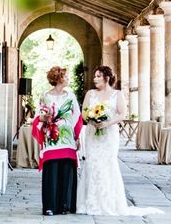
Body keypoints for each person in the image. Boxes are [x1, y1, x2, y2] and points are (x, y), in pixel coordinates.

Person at [77, 66, 163, 216]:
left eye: (98, 76)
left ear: (107, 78)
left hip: (109, 134)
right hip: (93, 133)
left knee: (108, 163)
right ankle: (90, 202)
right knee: (92, 163)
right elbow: (84, 113)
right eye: (95, 76)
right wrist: (92, 119)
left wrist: (106, 123)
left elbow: (122, 114)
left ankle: (109, 203)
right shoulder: (90, 94)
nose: (95, 79)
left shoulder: (117, 95)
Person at [32, 66, 82, 216]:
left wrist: (77, 137)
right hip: (51, 139)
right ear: (58, 78)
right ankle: (50, 206)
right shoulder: (45, 96)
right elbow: (37, 116)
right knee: (51, 172)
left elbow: (77, 117)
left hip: (67, 138)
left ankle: (65, 205)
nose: (68, 79)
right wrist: (44, 118)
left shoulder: (71, 96)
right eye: (65, 76)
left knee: (67, 170)